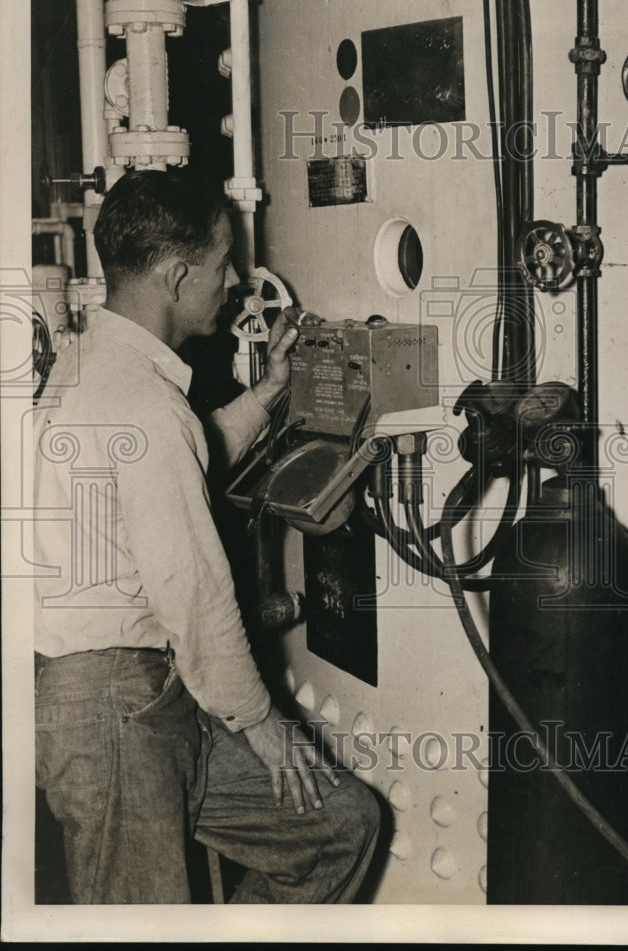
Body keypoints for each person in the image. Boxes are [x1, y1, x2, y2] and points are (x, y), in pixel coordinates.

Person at [33, 169, 380, 904]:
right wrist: (262, 724)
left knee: (338, 825)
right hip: (112, 709)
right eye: (223, 266)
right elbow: (192, 592)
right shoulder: (143, 404)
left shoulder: (96, 367)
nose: (234, 285)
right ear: (177, 274)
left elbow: (177, 462)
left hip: (148, 693)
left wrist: (267, 393)